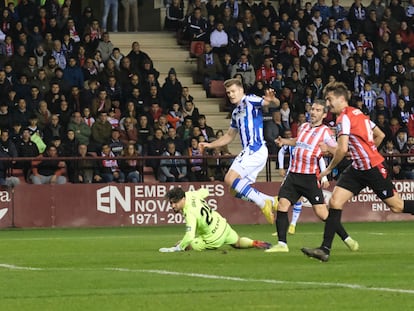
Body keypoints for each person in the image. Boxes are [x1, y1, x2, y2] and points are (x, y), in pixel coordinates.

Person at [302, 82, 414, 262]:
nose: (328, 104)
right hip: (358, 167)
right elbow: (380, 135)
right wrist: (365, 153)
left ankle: (325, 248)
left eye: (330, 100)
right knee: (335, 202)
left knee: (397, 206)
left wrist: (329, 169)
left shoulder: (343, 118)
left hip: (372, 168)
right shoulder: (359, 114)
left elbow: (342, 148)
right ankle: (324, 249)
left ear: (340, 99)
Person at [266, 100, 358, 253]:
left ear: (323, 114)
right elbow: (298, 141)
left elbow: (339, 150)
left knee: (323, 214)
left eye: (317, 110)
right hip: (293, 175)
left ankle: (346, 238)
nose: (313, 112)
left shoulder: (326, 132)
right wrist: (285, 141)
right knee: (282, 205)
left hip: (309, 178)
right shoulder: (303, 127)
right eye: (312, 109)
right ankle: (282, 244)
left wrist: (328, 148)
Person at [199, 78, 279, 224]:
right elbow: (229, 136)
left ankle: (262, 203)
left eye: (233, 91)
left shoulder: (250, 100)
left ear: (241, 90)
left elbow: (271, 103)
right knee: (233, 190)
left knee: (229, 179)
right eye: (228, 92)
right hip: (252, 152)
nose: (230, 94)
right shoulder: (236, 112)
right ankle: (271, 201)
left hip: (255, 148)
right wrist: (210, 145)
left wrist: (273, 99)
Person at [159, 187, 272, 252]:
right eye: (171, 203)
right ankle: (254, 243)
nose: (173, 206)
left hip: (212, 238)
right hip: (222, 225)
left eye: (175, 202)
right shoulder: (191, 194)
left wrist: (177, 248)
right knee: (237, 242)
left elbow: (189, 236)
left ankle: (178, 248)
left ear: (183, 199)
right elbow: (205, 191)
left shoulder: (190, 213)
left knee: (184, 244)